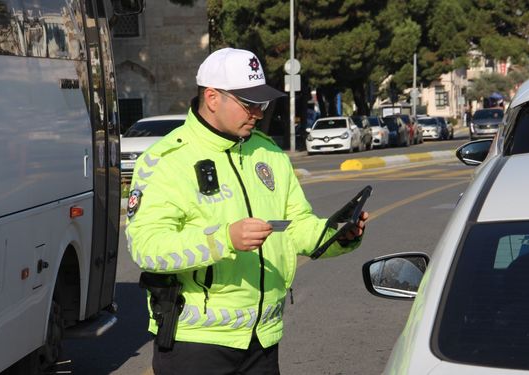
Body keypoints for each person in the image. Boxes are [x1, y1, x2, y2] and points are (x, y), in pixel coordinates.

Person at [125, 47, 368, 375]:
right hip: (196, 345)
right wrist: (224, 240)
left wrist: (338, 234)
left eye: (262, 103)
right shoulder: (166, 160)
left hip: (262, 341)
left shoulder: (268, 153)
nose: (257, 112)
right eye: (248, 103)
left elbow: (295, 226)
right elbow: (147, 249)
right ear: (212, 98)